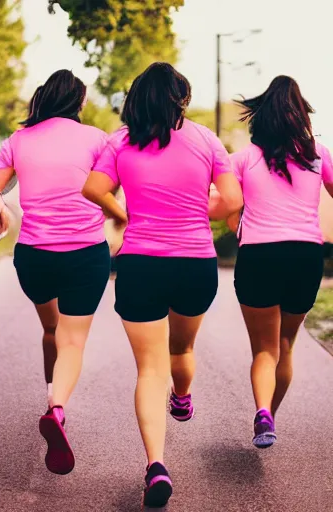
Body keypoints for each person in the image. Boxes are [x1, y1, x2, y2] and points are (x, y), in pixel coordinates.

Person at [82, 62, 242, 508]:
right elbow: (232, 200)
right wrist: (195, 207)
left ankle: (155, 465)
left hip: (139, 265)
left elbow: (93, 188)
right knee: (181, 352)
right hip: (194, 264)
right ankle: (184, 397)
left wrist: (124, 214)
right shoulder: (207, 139)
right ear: (181, 99)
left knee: (149, 370)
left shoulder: (121, 140)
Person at [0, 70, 113, 475]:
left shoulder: (17, 141)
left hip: (34, 255)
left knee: (51, 329)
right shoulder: (96, 139)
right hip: (86, 254)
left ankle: (49, 395)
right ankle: (57, 408)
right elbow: (110, 190)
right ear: (79, 103)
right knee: (71, 341)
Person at [226, 76, 333, 449]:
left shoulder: (240, 159)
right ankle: (268, 414)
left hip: (259, 255)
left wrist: (238, 227)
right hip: (305, 256)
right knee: (286, 345)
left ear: (261, 117)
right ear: (300, 114)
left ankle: (263, 411)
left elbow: (226, 205)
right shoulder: (318, 153)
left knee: (264, 350)